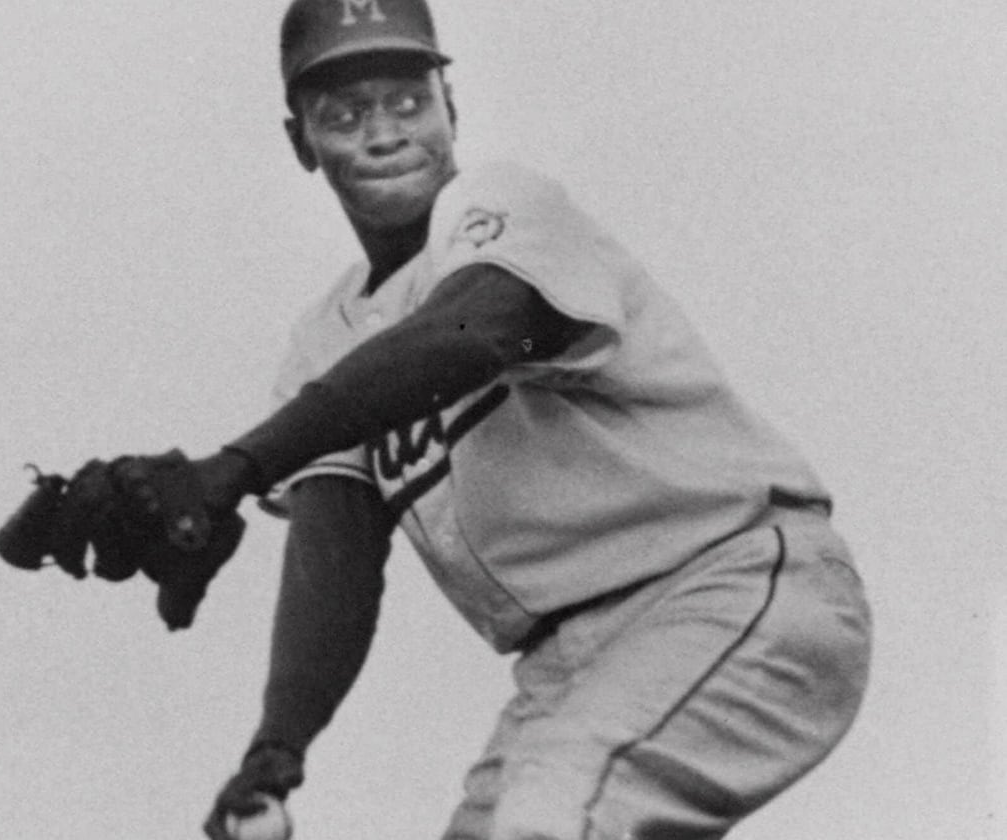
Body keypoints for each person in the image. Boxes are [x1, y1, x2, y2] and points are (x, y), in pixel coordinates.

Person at [164, 1, 873, 837]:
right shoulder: (324, 343)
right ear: (301, 143)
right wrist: (277, 751)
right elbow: (338, 549)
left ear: (450, 109)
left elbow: (473, 330)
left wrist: (238, 468)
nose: (384, 132)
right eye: (345, 114)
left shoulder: (504, 205)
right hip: (568, 666)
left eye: (406, 100)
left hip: (728, 581)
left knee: (550, 817)